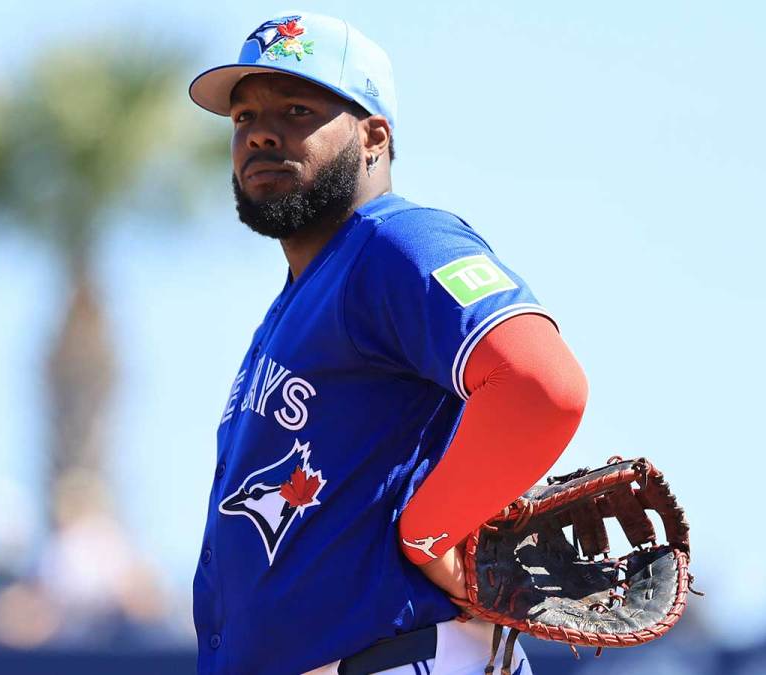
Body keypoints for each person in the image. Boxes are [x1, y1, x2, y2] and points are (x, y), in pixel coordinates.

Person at [188, 12, 588, 675]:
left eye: (296, 108)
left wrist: (432, 530)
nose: (260, 131)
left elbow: (542, 384)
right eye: (243, 117)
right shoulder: (293, 305)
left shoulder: (399, 243)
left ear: (374, 136)